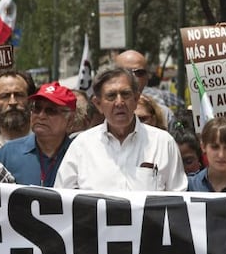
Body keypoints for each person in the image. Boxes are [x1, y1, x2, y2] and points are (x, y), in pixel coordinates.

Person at [54, 67, 187, 191]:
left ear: (136, 99)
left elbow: (178, 200)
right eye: (111, 96)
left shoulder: (163, 143)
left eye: (125, 94)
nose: (119, 102)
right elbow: (62, 201)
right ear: (98, 104)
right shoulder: (81, 146)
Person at [0, 82, 76, 186]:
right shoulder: (6, 154)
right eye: (37, 108)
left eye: (50, 110)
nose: (41, 115)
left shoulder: (80, 155)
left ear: (70, 120)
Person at [114, 50, 178, 132]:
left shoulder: (164, 115)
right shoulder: (102, 112)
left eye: (139, 73)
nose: (134, 77)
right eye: (126, 72)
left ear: (147, 77)